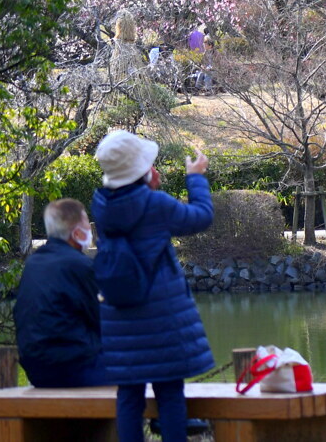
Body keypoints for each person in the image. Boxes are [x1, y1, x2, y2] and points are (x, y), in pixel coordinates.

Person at [93, 131, 215, 442]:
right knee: (171, 393)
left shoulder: (103, 207)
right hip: (162, 314)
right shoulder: (155, 204)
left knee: (129, 395)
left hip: (120, 318)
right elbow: (201, 217)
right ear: (143, 170)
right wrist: (196, 178)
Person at [14, 199, 108, 388]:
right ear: (77, 232)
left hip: (36, 371)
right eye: (86, 224)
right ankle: (162, 417)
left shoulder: (33, 264)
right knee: (143, 366)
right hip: (75, 369)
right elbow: (102, 320)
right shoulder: (79, 265)